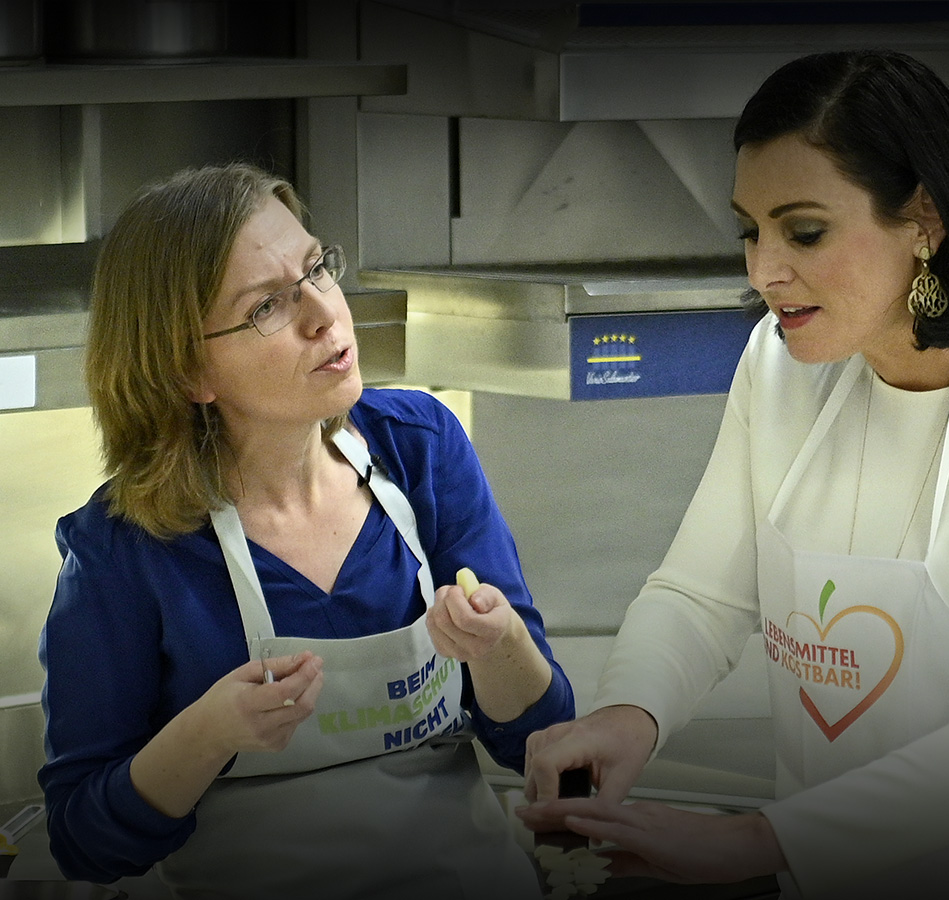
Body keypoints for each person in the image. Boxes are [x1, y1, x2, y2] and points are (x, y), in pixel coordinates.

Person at [517, 48, 949, 900]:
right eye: (750, 230)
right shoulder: (782, 363)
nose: (763, 270)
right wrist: (630, 714)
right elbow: (702, 595)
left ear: (924, 218)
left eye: (804, 232)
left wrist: (758, 841)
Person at [38, 162, 574, 900]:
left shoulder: (420, 447)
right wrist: (208, 732)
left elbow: (541, 741)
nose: (325, 314)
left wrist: (501, 642)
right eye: (267, 307)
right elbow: (83, 842)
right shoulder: (122, 550)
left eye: (317, 269)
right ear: (191, 373)